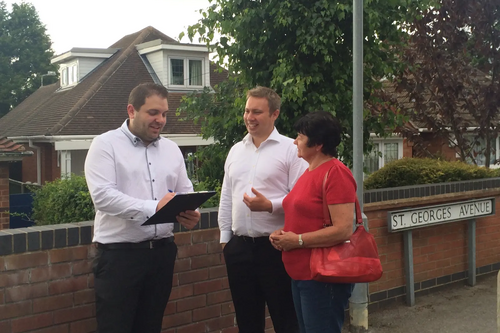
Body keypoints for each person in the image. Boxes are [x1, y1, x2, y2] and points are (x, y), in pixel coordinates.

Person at [84, 82, 200, 333]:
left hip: (162, 254)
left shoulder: (171, 149)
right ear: (131, 110)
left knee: (151, 327)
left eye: (164, 114)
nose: (160, 119)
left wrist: (190, 212)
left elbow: (185, 190)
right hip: (119, 258)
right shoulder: (105, 145)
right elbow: (103, 197)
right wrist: (155, 207)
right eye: (153, 112)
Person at [218, 86, 307, 333]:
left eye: (257, 111)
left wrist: (270, 206)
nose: (249, 117)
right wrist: (226, 240)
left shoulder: (292, 149)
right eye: (247, 111)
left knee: (286, 319)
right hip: (239, 248)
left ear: (274, 114)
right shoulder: (236, 150)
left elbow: (300, 199)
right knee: (247, 321)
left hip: (276, 248)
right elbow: (227, 197)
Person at [269, 111, 356, 333]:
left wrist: (297, 240)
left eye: (300, 136)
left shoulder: (336, 173)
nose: (295, 141)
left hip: (323, 276)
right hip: (301, 274)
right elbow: (307, 217)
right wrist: (284, 233)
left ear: (317, 144)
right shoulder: (308, 172)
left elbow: (344, 229)